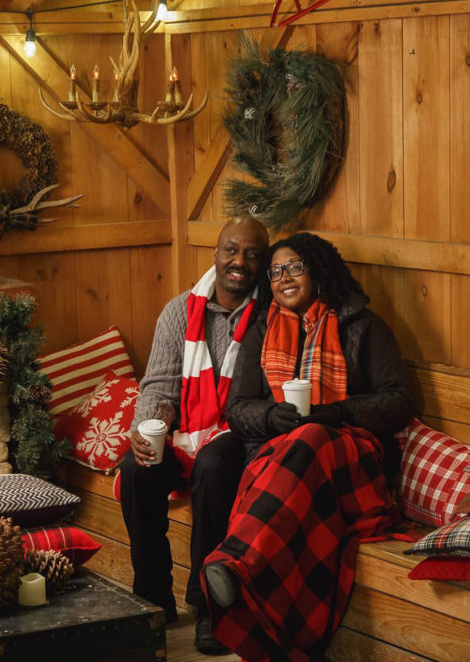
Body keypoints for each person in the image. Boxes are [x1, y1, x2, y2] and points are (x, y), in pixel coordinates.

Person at [201, 232, 414, 661]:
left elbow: (401, 401)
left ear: (318, 271)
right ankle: (267, 616)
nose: (284, 278)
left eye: (295, 267)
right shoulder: (261, 329)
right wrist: (269, 417)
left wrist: (338, 413)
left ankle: (236, 562)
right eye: (276, 271)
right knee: (291, 444)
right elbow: (237, 407)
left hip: (349, 457)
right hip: (281, 460)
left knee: (311, 435)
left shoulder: (363, 326)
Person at [118, 216, 270, 655]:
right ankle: (152, 596)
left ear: (261, 263)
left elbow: (262, 398)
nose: (239, 262)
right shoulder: (181, 310)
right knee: (136, 467)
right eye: (231, 250)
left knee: (214, 462)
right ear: (216, 254)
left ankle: (209, 606)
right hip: (186, 432)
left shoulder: (268, 316)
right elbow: (159, 387)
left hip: (239, 438)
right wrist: (148, 431)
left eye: (252, 254)